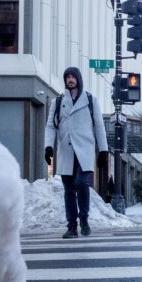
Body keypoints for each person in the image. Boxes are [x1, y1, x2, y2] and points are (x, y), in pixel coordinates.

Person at [44, 67, 109, 238]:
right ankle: (72, 226)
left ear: (79, 79)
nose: (70, 79)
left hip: (85, 152)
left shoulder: (90, 100)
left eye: (73, 77)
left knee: (82, 183)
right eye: (67, 77)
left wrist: (103, 151)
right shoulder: (57, 102)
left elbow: (99, 127)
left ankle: (84, 220)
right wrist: (48, 146)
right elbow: (50, 126)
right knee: (69, 190)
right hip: (66, 151)